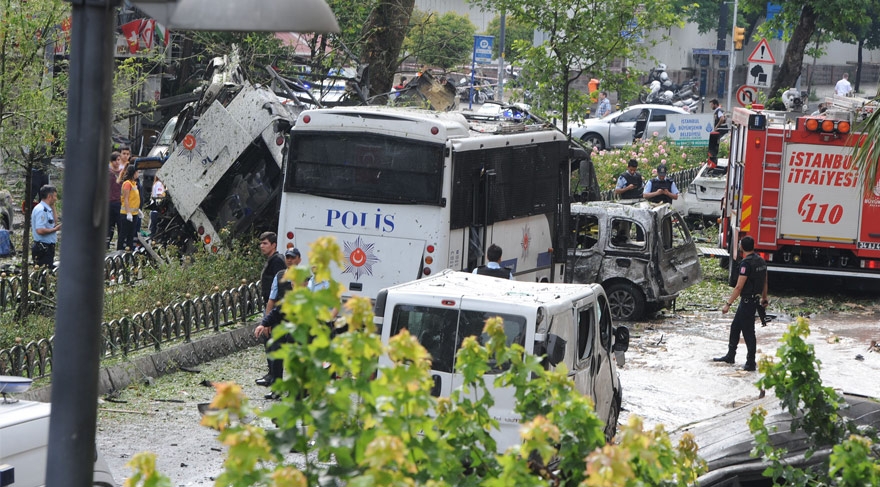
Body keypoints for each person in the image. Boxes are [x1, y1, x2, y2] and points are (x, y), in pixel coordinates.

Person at [713, 236, 768, 371]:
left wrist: (728, 304)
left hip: (747, 301)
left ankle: (750, 362)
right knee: (735, 327)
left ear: (742, 247)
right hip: (754, 300)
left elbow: (739, 287)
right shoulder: (761, 261)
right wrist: (764, 298)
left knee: (749, 332)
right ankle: (730, 356)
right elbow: (765, 281)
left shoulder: (746, 264)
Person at [254, 247, 301, 391]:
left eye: (293, 258)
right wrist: (266, 322)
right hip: (280, 319)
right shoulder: (280, 275)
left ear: (299, 259)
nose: (290, 260)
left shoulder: (305, 277)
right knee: (275, 354)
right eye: (288, 257)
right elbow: (272, 300)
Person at [31, 185, 61, 267]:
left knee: (48, 272)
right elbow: (40, 230)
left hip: (48, 248)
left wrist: (53, 205)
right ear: (49, 196)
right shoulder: (41, 210)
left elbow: (54, 221)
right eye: (54, 196)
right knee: (43, 275)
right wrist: (55, 229)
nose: (56, 198)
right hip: (43, 248)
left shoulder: (47, 209)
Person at [117, 164, 141, 251]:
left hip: (134, 213)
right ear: (133, 173)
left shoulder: (134, 184)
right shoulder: (127, 184)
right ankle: (120, 251)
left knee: (131, 234)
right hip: (126, 214)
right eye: (137, 172)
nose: (138, 174)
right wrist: (128, 213)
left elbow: (134, 199)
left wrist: (138, 210)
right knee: (124, 234)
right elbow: (126, 199)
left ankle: (129, 251)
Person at [107, 151, 123, 248]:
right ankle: (106, 244)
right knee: (109, 225)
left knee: (120, 225)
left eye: (119, 160)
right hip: (109, 202)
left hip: (119, 202)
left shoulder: (123, 173)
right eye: (116, 160)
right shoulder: (108, 173)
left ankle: (120, 245)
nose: (117, 162)